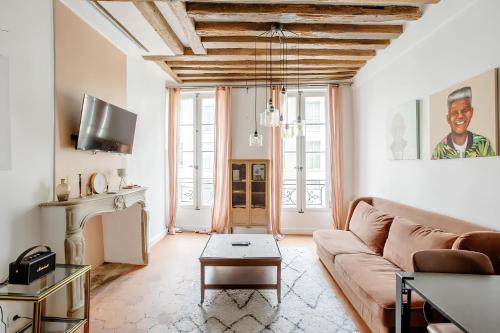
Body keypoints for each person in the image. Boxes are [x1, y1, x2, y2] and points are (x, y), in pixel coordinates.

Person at [432, 86, 495, 159]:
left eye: (465, 110)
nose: (460, 116)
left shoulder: (484, 144)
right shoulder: (439, 150)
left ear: (471, 112)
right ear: (448, 118)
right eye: (454, 113)